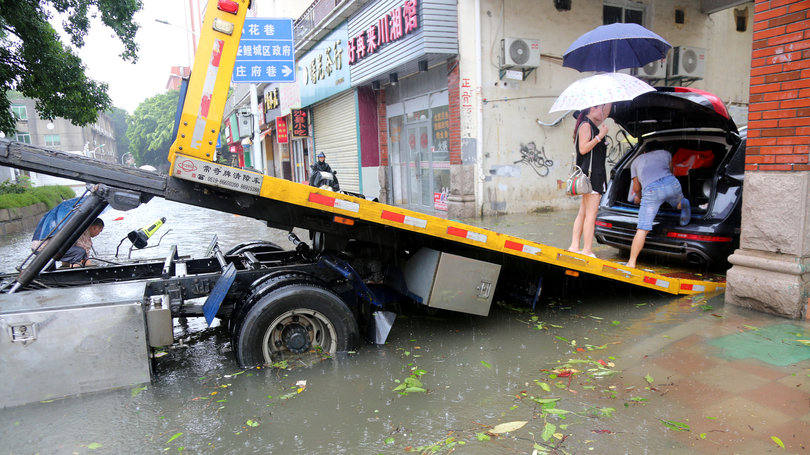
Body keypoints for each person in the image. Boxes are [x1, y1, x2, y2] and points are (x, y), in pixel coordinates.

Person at [625, 143, 691, 269]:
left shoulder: (636, 161)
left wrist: (638, 196)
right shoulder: (666, 153)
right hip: (671, 184)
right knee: (676, 204)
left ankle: (631, 262)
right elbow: (672, 172)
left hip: (652, 191)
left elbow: (636, 187)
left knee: (643, 228)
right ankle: (682, 203)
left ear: (644, 152)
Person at [567, 103, 611, 258]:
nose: (602, 111)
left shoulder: (589, 124)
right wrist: (600, 136)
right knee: (591, 214)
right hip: (593, 176)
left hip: (590, 175)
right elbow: (583, 149)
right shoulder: (586, 125)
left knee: (583, 213)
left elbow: (605, 114)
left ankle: (574, 246)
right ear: (592, 109)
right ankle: (586, 250)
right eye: (600, 108)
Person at [31, 218, 104, 267]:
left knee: (73, 252)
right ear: (94, 227)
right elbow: (85, 253)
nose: (98, 234)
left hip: (37, 247)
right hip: (44, 249)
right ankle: (75, 267)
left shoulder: (76, 226)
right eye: (99, 231)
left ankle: (65, 267)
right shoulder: (84, 232)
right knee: (81, 251)